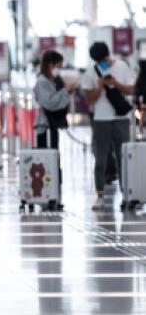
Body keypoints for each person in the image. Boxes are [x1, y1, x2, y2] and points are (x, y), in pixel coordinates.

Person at [81, 42, 135, 210]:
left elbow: (132, 90)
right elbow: (89, 100)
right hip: (101, 119)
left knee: (123, 158)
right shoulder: (91, 71)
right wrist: (99, 87)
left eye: (103, 60)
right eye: (97, 61)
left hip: (121, 118)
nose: (101, 63)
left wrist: (116, 84)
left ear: (108, 55)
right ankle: (100, 195)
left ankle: (127, 195)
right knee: (100, 158)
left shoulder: (122, 66)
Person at [33, 50, 76, 149]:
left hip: (54, 123)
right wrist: (65, 91)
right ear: (50, 65)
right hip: (45, 125)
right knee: (46, 155)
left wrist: (67, 91)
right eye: (58, 66)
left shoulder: (56, 80)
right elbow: (49, 103)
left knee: (54, 152)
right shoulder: (41, 81)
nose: (60, 69)